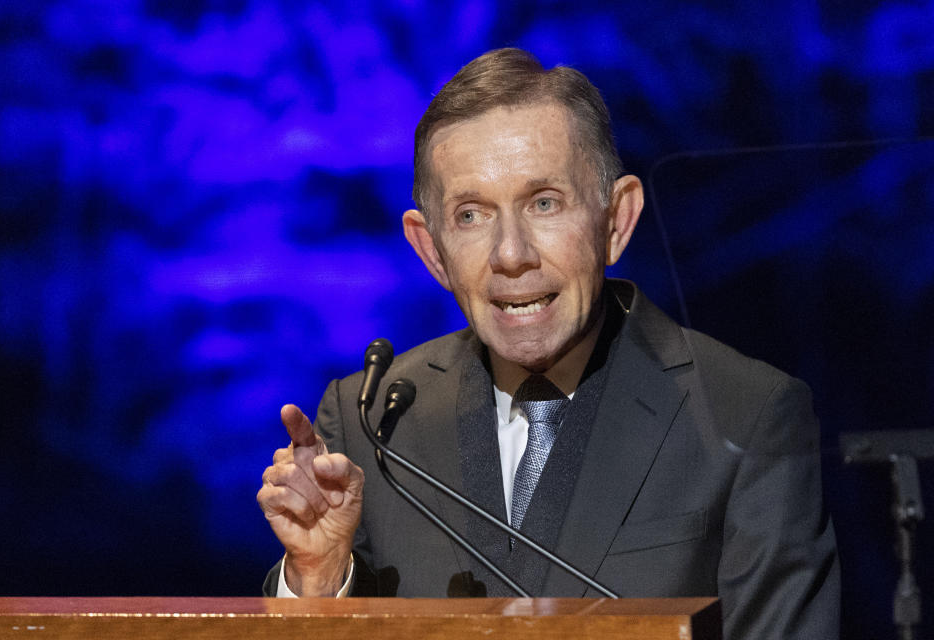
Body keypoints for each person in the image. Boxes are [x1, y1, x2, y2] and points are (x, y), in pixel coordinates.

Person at [257, 48, 839, 639]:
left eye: (544, 203)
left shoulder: (747, 410)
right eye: (470, 216)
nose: (512, 254)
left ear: (616, 220)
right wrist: (318, 581)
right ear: (430, 250)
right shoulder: (370, 425)